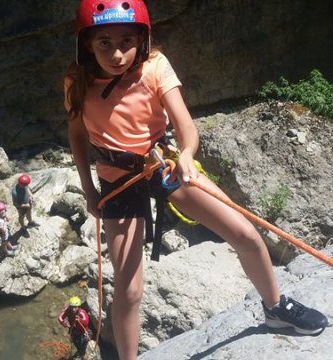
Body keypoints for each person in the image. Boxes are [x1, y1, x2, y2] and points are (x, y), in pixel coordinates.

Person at [65, 1, 328, 359]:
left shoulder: (154, 67)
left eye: (126, 41)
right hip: (117, 180)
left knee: (246, 234)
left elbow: (185, 126)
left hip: (164, 164)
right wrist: (88, 189)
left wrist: (186, 156)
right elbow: (78, 135)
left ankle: (276, 307)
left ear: (141, 39)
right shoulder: (77, 83)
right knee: (128, 290)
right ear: (88, 45)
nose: (117, 53)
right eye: (104, 43)